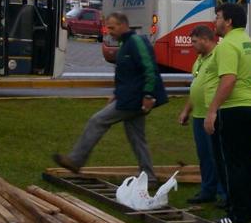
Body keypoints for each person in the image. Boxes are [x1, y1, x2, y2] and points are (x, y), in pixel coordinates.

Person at [53, 12, 167, 182]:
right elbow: (128, 75)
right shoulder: (125, 44)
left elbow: (150, 68)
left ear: (123, 25)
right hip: (129, 98)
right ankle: (149, 176)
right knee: (137, 138)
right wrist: (115, 94)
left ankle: (76, 160)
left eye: (112, 28)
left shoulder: (136, 42)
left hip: (133, 100)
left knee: (97, 121)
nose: (109, 31)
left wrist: (148, 95)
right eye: (108, 28)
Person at [204, 3, 251, 223]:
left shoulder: (227, 45)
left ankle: (238, 215)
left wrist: (212, 111)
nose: (215, 21)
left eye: (218, 17)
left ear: (228, 21)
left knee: (234, 163)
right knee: (248, 161)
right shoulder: (250, 43)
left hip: (235, 108)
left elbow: (228, 80)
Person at [176, 25, 226, 206]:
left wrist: (214, 109)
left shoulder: (219, 55)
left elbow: (225, 82)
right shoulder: (199, 59)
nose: (192, 45)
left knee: (217, 155)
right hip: (198, 114)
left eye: (195, 42)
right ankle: (208, 189)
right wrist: (186, 110)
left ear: (205, 39)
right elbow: (196, 85)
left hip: (211, 113)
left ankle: (223, 192)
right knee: (204, 155)